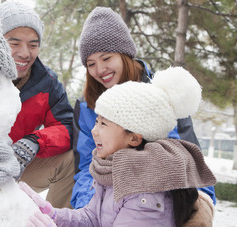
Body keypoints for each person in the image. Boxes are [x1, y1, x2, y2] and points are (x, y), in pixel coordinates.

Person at [20, 66, 217, 227]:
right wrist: (51, 214)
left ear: (134, 138)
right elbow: (91, 218)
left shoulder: (146, 190)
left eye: (103, 124)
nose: (94, 131)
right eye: (96, 122)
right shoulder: (112, 170)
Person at [72, 6, 216, 209]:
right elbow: (85, 166)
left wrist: (200, 206)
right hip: (108, 200)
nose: (100, 70)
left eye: (106, 58)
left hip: (160, 200)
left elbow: (189, 160)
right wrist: (89, 210)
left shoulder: (162, 94)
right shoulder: (86, 106)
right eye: (91, 64)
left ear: (124, 54)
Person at [0, 1, 74, 208]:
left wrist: (35, 141)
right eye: (15, 43)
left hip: (17, 167)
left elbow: (67, 125)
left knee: (71, 159)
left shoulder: (46, 83)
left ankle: (56, 220)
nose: (25, 53)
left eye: (33, 44)